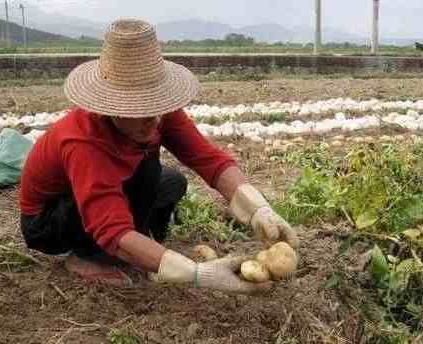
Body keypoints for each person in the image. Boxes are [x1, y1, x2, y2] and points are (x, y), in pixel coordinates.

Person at [18, 18, 298, 295]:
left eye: (157, 106)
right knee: (125, 215)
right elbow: (111, 228)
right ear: (114, 107)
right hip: (50, 218)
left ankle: (142, 248)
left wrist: (258, 208)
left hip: (106, 190)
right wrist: (197, 274)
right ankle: (87, 257)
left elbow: (208, 159)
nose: (155, 120)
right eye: (142, 110)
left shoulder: (158, 115)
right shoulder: (83, 141)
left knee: (171, 181)